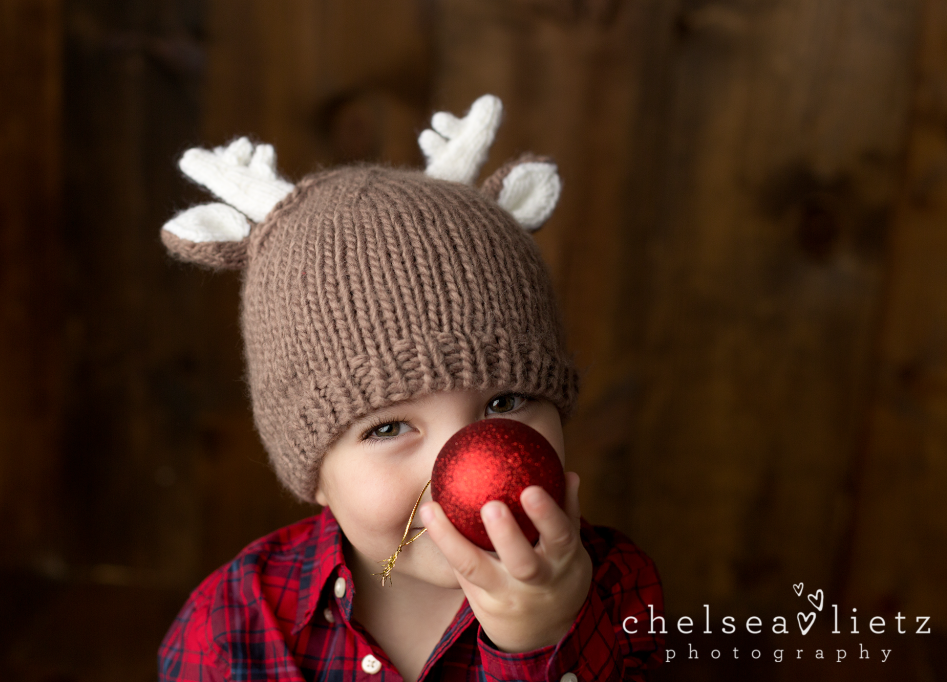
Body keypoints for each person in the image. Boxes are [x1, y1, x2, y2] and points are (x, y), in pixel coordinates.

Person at [157, 96, 664, 681]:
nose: (462, 468)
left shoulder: (618, 589)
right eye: (389, 427)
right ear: (314, 473)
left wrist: (542, 642)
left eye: (504, 403)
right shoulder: (235, 627)